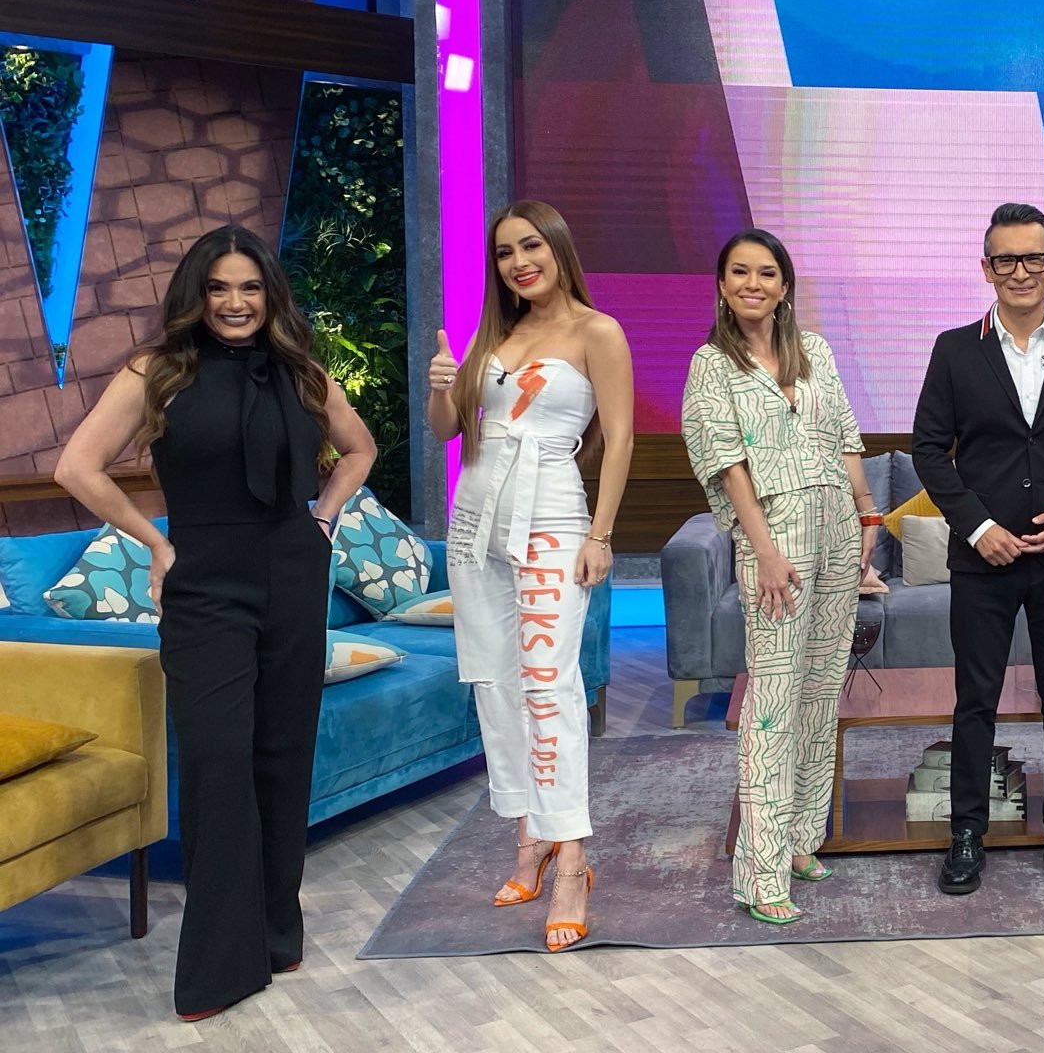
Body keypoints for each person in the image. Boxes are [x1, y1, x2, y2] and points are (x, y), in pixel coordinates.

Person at [56, 225, 376, 1020]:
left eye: (250, 288)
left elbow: (360, 450)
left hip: (293, 573)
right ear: (196, 295)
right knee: (218, 757)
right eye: (219, 288)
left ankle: (276, 934)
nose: (235, 303)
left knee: (282, 753)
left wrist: (324, 517)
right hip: (203, 580)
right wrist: (155, 542)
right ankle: (219, 967)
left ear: (270, 294)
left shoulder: (303, 372)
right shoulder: (158, 370)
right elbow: (76, 467)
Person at [427, 200, 634, 952]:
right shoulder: (494, 334)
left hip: (551, 517)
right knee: (496, 682)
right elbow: (450, 430)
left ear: (558, 248)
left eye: (531, 246)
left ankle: (572, 861)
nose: (519, 262)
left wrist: (600, 534)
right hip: (475, 520)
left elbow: (620, 438)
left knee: (549, 685)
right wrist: (441, 384)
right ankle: (529, 839)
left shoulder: (597, 331)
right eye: (505, 251)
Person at [913, 202, 1044, 895]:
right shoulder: (954, 349)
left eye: (1033, 257)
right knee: (975, 699)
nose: (1020, 271)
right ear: (986, 268)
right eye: (1005, 259)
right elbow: (928, 449)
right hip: (983, 559)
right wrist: (979, 528)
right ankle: (966, 834)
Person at [680, 228, 880, 924]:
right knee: (772, 701)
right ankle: (761, 874)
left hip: (838, 525)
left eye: (766, 273)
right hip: (777, 533)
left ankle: (799, 841)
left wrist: (868, 517)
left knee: (822, 692)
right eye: (740, 272)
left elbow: (845, 437)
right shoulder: (711, 364)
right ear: (722, 284)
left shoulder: (815, 351)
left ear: (784, 285)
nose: (753, 284)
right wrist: (761, 549)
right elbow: (725, 463)